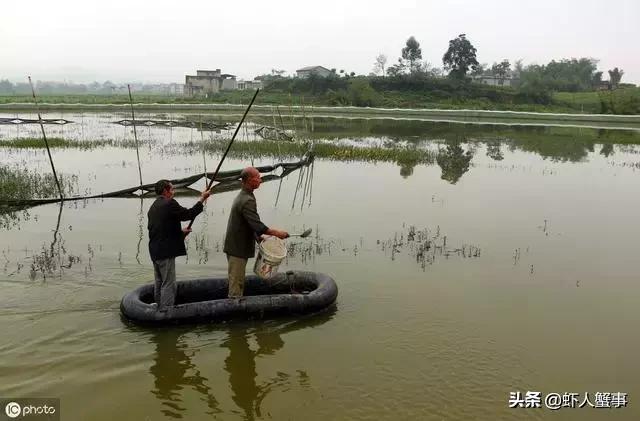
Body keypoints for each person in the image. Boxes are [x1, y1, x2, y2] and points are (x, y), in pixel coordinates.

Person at [223, 167, 288, 297]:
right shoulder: (247, 200)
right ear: (249, 180)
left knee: (237, 280)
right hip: (237, 249)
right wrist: (278, 233)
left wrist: (258, 238)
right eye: (258, 177)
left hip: (236, 246)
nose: (260, 180)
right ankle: (234, 310)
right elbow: (258, 226)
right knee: (236, 284)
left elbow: (248, 223)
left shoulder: (246, 195)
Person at [148, 179, 211, 310]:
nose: (173, 192)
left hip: (155, 251)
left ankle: (158, 308)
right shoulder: (169, 203)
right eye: (171, 189)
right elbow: (189, 214)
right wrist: (202, 199)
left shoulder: (153, 207)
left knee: (159, 282)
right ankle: (166, 311)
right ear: (165, 191)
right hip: (165, 252)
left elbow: (160, 230)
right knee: (168, 283)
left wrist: (181, 234)